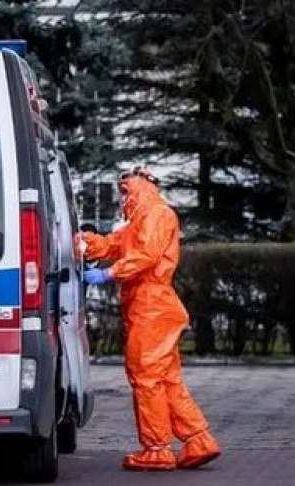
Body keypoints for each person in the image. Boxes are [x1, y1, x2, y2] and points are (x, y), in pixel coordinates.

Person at [80, 166, 221, 471]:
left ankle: (157, 450)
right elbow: (112, 244)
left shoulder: (156, 214)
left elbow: (146, 255)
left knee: (145, 377)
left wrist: (108, 273)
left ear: (140, 187)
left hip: (151, 308)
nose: (122, 198)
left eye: (125, 191)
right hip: (152, 308)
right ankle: (198, 439)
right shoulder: (142, 218)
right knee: (166, 379)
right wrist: (84, 242)